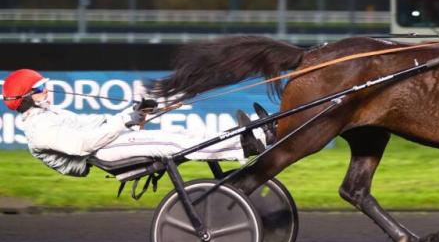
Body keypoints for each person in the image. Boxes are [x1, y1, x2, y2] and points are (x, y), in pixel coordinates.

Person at [2, 69, 273, 177]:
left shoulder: (51, 115)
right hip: (101, 153)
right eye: (39, 90)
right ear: (26, 99)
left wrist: (133, 114)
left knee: (180, 133)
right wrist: (124, 122)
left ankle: (250, 135)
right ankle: (247, 145)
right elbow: (83, 145)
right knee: (174, 143)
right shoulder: (39, 131)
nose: (46, 91)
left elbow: (92, 122)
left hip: (107, 143)